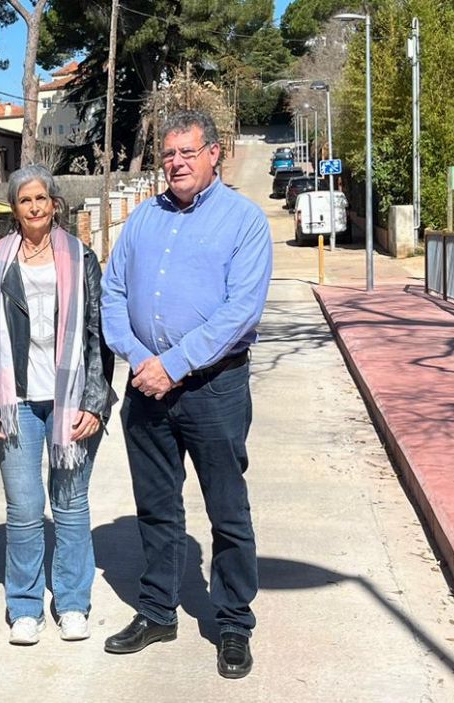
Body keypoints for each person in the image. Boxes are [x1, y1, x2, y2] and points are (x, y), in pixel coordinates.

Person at [99, 110, 272, 678]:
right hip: (146, 384)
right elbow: (113, 291)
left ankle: (232, 623)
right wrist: (139, 358)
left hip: (213, 388)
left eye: (187, 152)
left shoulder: (244, 221)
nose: (175, 163)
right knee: (156, 507)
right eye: (168, 154)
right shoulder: (143, 220)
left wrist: (173, 364)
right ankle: (157, 611)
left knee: (227, 508)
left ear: (214, 153)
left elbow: (239, 312)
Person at [0, 165, 115, 646]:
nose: (34, 207)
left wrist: (95, 401)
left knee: (70, 506)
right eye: (24, 200)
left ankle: (72, 602)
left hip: (71, 398)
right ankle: (25, 606)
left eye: (41, 198)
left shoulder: (81, 257)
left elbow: (97, 335)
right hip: (17, 403)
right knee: (25, 509)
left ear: (55, 203)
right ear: (14, 208)